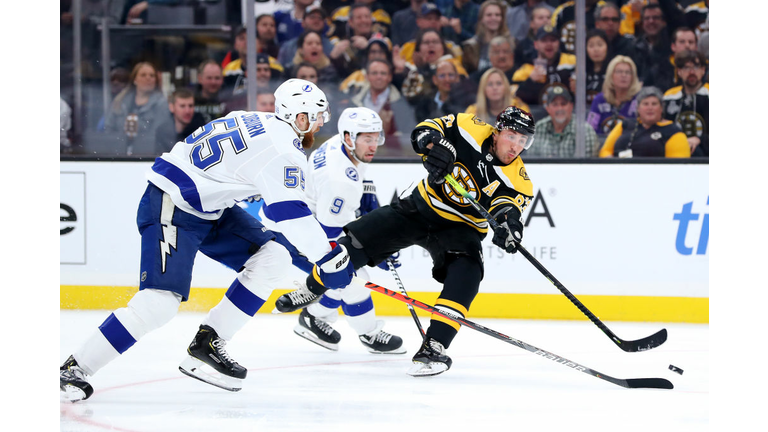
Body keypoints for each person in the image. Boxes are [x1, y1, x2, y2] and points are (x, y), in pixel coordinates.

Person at [60, 79, 356, 402]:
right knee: (159, 303)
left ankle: (208, 343)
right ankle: (75, 368)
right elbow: (290, 215)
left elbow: (276, 215)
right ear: (298, 117)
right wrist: (327, 259)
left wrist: (316, 253)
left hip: (207, 205)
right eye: (315, 117)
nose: (318, 124)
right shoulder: (283, 150)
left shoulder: (259, 120)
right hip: (172, 203)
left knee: (275, 257)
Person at [273, 105, 537, 377]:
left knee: (468, 274)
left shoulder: (520, 181)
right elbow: (425, 130)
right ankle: (312, 287)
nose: (516, 146)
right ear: (497, 131)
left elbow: (508, 210)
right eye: (512, 136)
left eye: (523, 140)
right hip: (418, 208)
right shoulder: (468, 125)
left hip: (461, 229)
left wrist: (509, 228)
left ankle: (434, 345)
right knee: (355, 241)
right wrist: (432, 145)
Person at [263, 107, 406, 353]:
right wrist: (376, 246)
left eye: (376, 138)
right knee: (352, 278)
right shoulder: (339, 181)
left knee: (344, 274)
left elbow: (355, 182)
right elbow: (328, 238)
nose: (373, 145)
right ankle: (369, 333)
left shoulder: (341, 146)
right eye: (367, 139)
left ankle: (313, 318)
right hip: (291, 231)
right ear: (349, 137)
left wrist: (367, 198)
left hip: (293, 217)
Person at [340, 59, 417, 154]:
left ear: (390, 77)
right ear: (366, 77)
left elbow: (408, 137)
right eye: (374, 73)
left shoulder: (401, 105)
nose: (379, 77)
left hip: (391, 157)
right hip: (358, 155)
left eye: (383, 73)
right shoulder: (354, 103)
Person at [599, 86, 690, 158]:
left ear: (661, 108)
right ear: (638, 108)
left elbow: (678, 165)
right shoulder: (625, 125)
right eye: (645, 104)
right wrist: (610, 162)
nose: (650, 108)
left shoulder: (672, 131)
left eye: (654, 104)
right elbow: (605, 150)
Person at [104, 61, 168, 156]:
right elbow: (108, 129)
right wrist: (123, 134)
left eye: (152, 75)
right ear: (134, 79)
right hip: (118, 156)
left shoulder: (162, 104)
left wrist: (140, 130)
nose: (148, 78)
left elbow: (161, 135)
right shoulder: (119, 101)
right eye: (143, 75)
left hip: (148, 156)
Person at [511, 24, 575, 108]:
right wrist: (530, 81)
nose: (549, 44)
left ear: (558, 43)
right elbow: (513, 96)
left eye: (553, 40)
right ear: (536, 44)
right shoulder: (526, 69)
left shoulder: (572, 62)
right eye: (544, 40)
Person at [526, 85, 599, 158]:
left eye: (563, 104)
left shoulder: (585, 130)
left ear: (571, 106)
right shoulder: (539, 128)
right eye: (555, 104)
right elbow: (532, 159)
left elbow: (589, 165)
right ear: (548, 108)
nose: (560, 108)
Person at [662, 50, 708, 157]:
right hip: (674, 152)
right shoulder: (669, 96)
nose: (691, 72)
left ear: (703, 70)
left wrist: (700, 139)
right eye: (686, 68)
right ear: (679, 71)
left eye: (696, 67)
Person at [587, 55, 642, 136]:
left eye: (628, 72)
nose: (624, 75)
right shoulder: (599, 100)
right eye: (619, 71)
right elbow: (589, 129)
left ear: (633, 77)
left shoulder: (640, 100)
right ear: (610, 75)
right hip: (601, 145)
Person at [277, 4, 335, 71]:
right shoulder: (288, 47)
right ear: (303, 22)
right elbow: (280, 71)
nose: (316, 20)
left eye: (320, 18)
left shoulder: (331, 47)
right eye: (312, 17)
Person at [460, 0, 510, 75]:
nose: (494, 18)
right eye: (489, 15)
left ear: (502, 19)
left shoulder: (510, 43)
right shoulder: (471, 46)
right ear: (481, 19)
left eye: (497, 15)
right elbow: (468, 77)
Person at [155, 88, 206, 154]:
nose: (187, 111)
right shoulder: (162, 132)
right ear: (171, 107)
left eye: (190, 106)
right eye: (182, 106)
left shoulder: (201, 130)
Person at [568, 29, 609, 107]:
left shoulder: (613, 71)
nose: (596, 50)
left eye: (600, 45)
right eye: (591, 46)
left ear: (607, 47)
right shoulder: (579, 71)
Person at [513, 4, 552, 68]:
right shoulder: (523, 46)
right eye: (540, 18)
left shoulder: (558, 42)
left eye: (548, 17)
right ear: (532, 23)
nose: (545, 20)